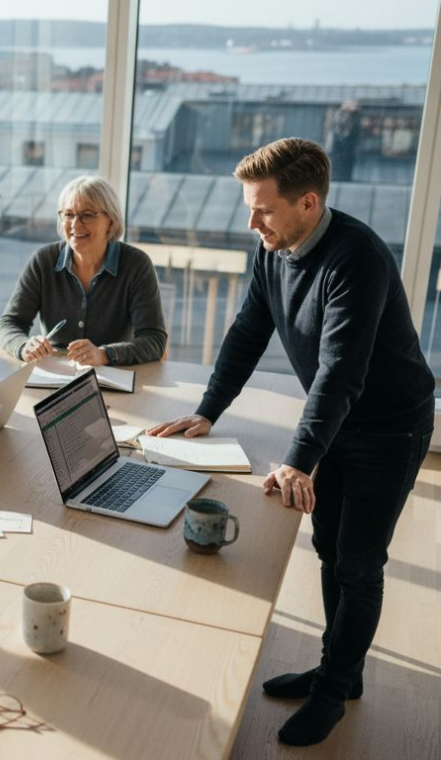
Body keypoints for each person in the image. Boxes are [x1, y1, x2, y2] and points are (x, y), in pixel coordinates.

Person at [148, 138, 433, 747]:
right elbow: (249, 329)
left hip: (389, 425)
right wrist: (207, 410)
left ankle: (333, 691)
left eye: (263, 210)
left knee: (359, 564)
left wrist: (300, 459)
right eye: (248, 209)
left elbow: (340, 373)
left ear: (308, 202)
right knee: (330, 548)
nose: (251, 223)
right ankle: (342, 670)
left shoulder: (357, 258)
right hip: (339, 422)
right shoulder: (272, 248)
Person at [0, 175, 167, 365]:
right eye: (68, 214)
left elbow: (154, 340)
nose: (75, 224)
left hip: (112, 377)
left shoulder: (136, 264)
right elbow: (9, 324)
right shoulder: (43, 260)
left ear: (111, 222)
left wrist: (104, 354)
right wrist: (23, 346)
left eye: (87, 215)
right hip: (54, 374)